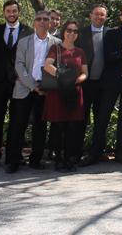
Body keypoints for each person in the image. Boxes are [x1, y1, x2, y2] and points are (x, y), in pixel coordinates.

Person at [84, 6, 122, 166]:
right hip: (110, 82)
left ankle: (120, 153)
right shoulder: (111, 34)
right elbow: (108, 57)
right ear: (120, 16)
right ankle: (95, 153)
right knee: (102, 118)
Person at [6, 10, 61, 173]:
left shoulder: (57, 43)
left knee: (40, 127)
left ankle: (36, 159)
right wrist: (32, 85)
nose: (43, 22)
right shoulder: (24, 42)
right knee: (18, 126)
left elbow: (58, 67)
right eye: (39, 19)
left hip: (45, 91)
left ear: (50, 22)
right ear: (34, 22)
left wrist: (45, 86)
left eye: (46, 19)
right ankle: (13, 160)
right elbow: (19, 65)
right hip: (24, 89)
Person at [0, 0, 31, 169]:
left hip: (19, 83)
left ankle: (15, 155)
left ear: (18, 12)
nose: (11, 14)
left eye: (14, 11)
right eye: (8, 11)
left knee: (17, 122)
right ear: (4, 12)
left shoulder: (28, 31)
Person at [42, 20, 88, 172]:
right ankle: (58, 159)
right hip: (58, 92)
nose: (72, 33)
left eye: (75, 31)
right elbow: (47, 65)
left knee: (72, 127)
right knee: (57, 127)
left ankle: (70, 158)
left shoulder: (80, 52)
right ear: (63, 31)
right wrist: (63, 77)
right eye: (69, 30)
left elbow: (85, 73)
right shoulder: (55, 48)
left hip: (74, 92)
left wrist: (73, 81)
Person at [77, 3, 107, 161]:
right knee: (81, 119)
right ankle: (77, 151)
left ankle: (97, 152)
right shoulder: (81, 34)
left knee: (101, 119)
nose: (99, 17)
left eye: (102, 15)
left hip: (103, 85)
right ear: (90, 15)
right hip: (85, 83)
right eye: (96, 14)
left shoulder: (110, 34)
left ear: (105, 17)